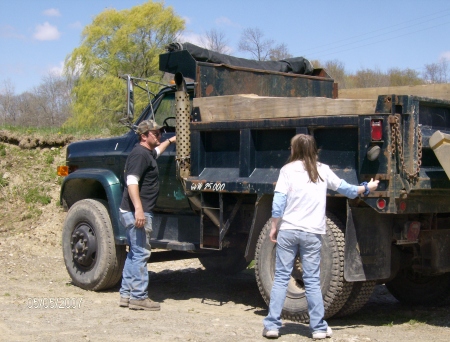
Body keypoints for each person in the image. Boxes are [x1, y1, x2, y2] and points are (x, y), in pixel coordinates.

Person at [262, 134, 379, 339]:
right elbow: (348, 190)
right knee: (312, 280)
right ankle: (317, 328)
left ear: (295, 149)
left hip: (288, 231)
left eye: (291, 147)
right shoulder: (323, 170)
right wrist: (367, 188)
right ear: (313, 150)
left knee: (281, 278)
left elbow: (279, 201)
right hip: (313, 232)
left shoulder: (287, 170)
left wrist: (274, 226)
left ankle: (272, 325)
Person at [118, 119, 176, 311]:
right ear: (144, 136)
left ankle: (126, 295)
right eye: (156, 133)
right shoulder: (140, 155)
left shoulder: (147, 153)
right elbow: (132, 182)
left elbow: (156, 153)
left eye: (160, 133)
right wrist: (139, 210)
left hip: (131, 211)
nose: (159, 135)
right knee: (141, 253)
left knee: (134, 253)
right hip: (137, 213)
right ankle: (139, 297)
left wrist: (171, 141)